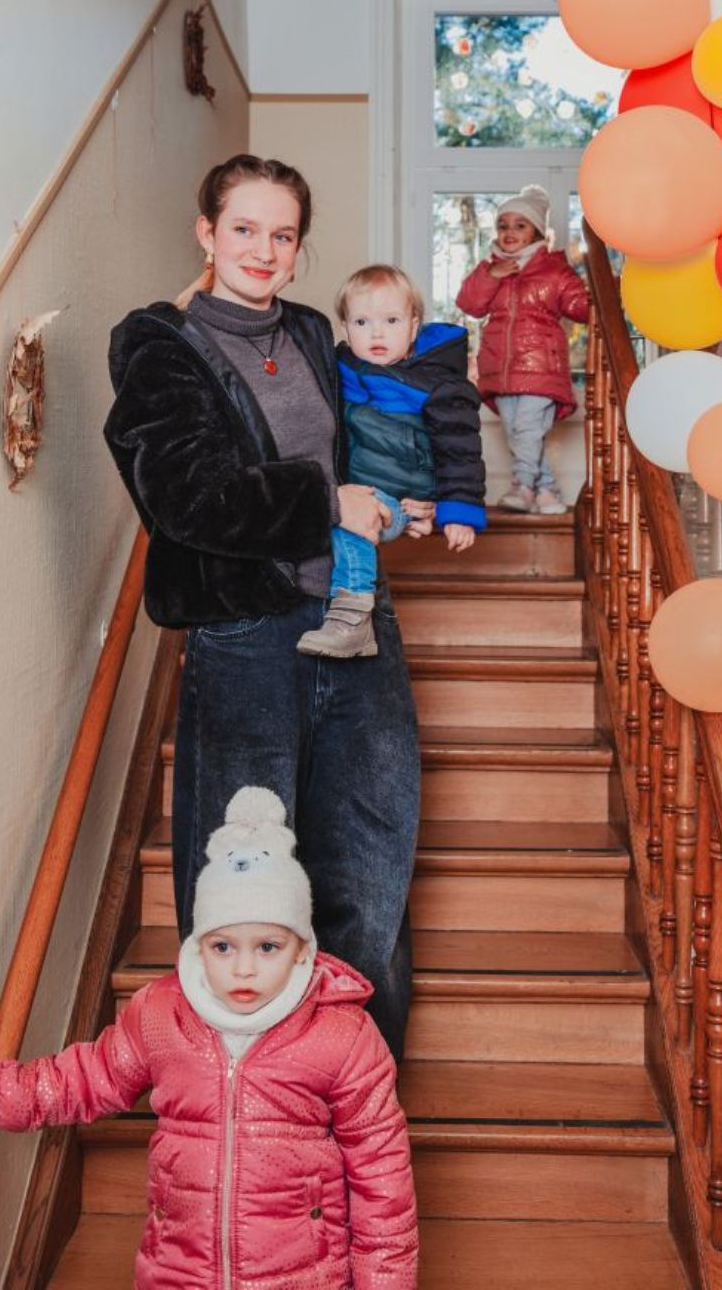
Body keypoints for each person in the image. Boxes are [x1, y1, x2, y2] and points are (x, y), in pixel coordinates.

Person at [103, 155, 421, 1056]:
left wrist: (405, 492)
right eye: (243, 228)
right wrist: (324, 503)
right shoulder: (160, 343)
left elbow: (368, 443)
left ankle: (354, 1090)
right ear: (207, 234)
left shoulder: (320, 333)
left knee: (369, 863)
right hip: (247, 636)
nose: (264, 249)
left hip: (357, 617)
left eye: (282, 235)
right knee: (243, 876)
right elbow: (184, 497)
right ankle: (238, 1095)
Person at [0, 787, 418, 1290]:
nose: (245, 967)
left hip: (300, 1275)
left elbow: (382, 1179)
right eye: (223, 946)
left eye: (268, 946)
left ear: (301, 950)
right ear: (200, 948)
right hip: (179, 1271)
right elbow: (95, 1073)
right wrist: (14, 1095)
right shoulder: (163, 1015)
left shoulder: (342, 1036)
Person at [297, 264, 486, 660]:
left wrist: (457, 511)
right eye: (362, 321)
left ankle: (352, 615)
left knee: (350, 523)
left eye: (391, 320)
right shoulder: (341, 371)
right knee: (333, 508)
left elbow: (459, 448)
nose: (377, 333)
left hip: (404, 497)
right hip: (360, 484)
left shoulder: (437, 384)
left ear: (414, 326)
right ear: (346, 328)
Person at [456, 185, 589, 515]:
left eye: (520, 225)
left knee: (527, 431)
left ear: (536, 232)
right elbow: (469, 304)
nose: (509, 232)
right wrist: (491, 275)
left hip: (541, 367)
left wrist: (603, 293)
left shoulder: (554, 270)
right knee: (519, 435)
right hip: (500, 369)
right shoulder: (490, 267)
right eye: (503, 225)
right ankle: (547, 492)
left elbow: (581, 308)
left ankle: (522, 487)